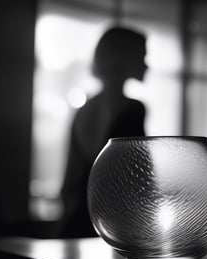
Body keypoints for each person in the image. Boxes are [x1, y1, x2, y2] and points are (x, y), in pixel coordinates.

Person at [60, 26, 147, 237]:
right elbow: (138, 180)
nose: (146, 64)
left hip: (78, 221)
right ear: (125, 57)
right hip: (113, 227)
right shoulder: (133, 109)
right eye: (143, 55)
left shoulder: (84, 109)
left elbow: (70, 180)